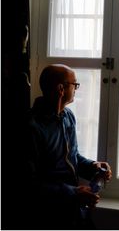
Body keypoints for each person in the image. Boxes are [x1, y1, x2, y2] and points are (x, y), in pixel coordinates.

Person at [22, 64, 112, 229]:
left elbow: (73, 157)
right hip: (47, 214)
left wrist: (93, 166)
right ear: (61, 89)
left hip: (74, 209)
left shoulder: (68, 116)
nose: (77, 88)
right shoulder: (31, 127)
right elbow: (28, 183)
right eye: (75, 84)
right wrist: (74, 192)